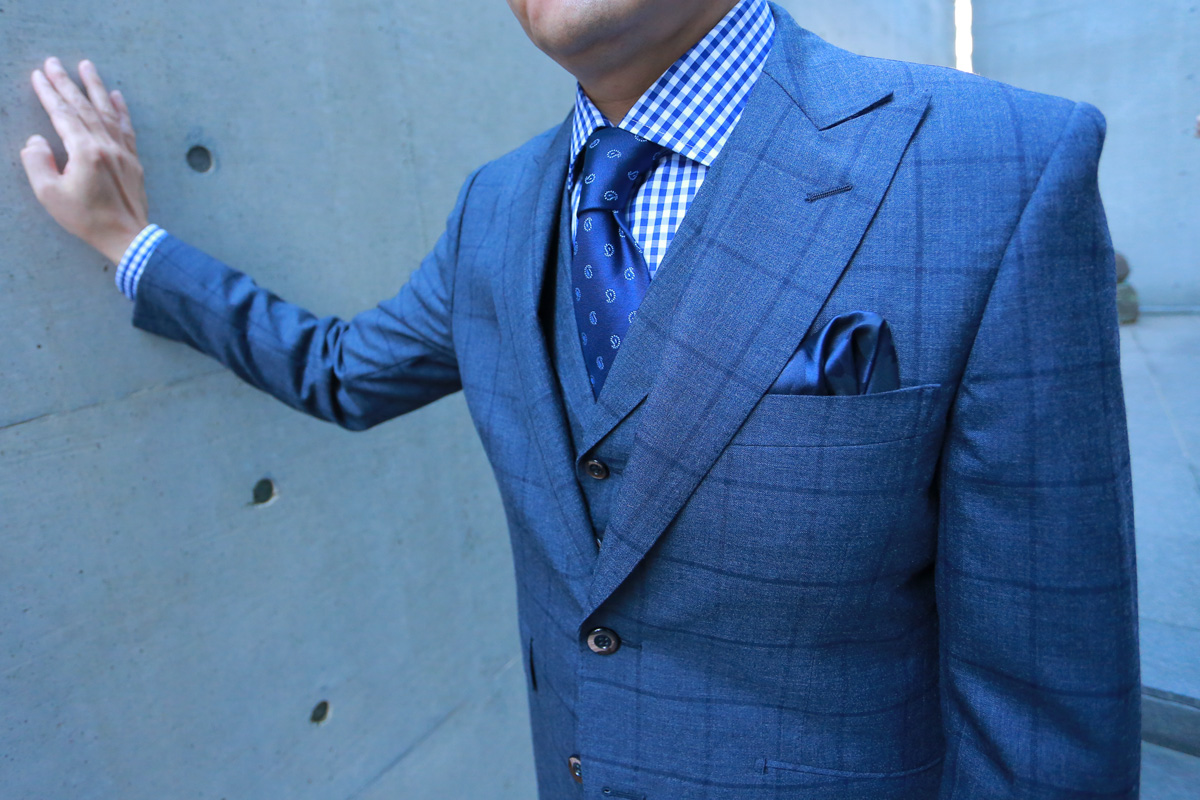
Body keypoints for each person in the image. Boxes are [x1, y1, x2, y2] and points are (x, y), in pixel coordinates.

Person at [20, 0, 1140, 797]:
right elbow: (343, 370)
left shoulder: (995, 164)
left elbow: (1042, 696)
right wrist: (131, 245)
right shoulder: (497, 208)